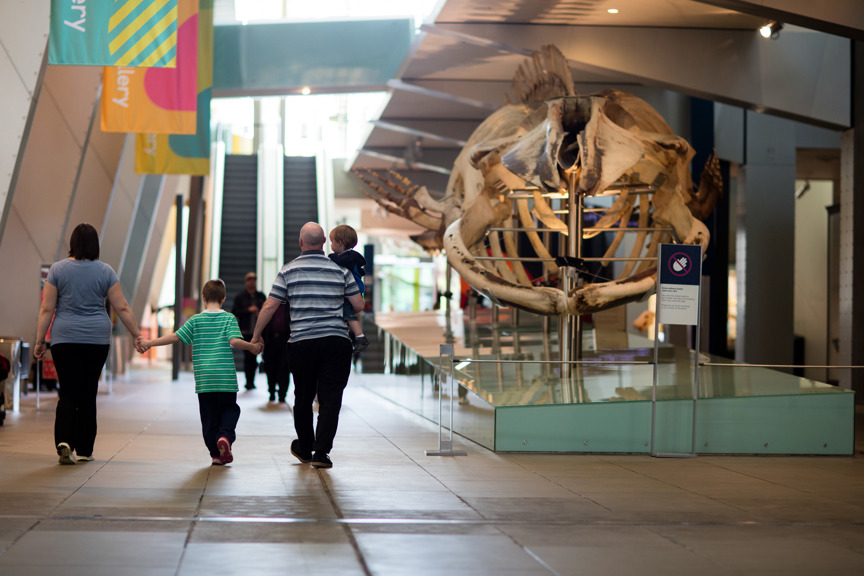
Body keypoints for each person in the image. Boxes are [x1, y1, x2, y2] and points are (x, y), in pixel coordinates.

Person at [251, 222, 364, 469]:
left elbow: (270, 306)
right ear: (324, 242)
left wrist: (257, 335)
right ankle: (322, 453)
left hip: (301, 343)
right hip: (336, 342)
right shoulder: (341, 271)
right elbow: (357, 305)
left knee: (302, 397)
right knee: (330, 398)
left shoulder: (288, 271)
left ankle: (305, 447)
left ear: (301, 243)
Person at [34, 223, 145, 465]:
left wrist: (40, 340)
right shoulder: (105, 271)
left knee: (68, 392)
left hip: (64, 338)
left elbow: (47, 308)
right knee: (88, 393)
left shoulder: (57, 270)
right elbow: (122, 307)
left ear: (72, 242)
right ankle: (84, 449)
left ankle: (64, 441)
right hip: (96, 340)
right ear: (95, 244)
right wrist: (136, 334)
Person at [139, 279, 262, 465]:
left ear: (203, 298)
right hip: (225, 378)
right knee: (230, 409)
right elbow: (235, 341)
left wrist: (149, 343)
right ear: (223, 298)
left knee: (209, 416)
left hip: (205, 380)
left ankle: (215, 453)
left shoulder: (195, 320)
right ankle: (225, 437)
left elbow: (175, 336)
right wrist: (252, 347)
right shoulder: (228, 318)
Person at [327, 224, 369, 354]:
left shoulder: (347, 257)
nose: (330, 245)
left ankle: (360, 336)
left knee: (348, 313)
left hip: (354, 289)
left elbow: (336, 261)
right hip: (355, 289)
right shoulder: (352, 256)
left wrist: (328, 258)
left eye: (332, 242)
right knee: (348, 313)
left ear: (339, 243)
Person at [231, 271, 266, 390]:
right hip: (246, 331)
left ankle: (252, 380)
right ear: (246, 282)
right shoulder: (240, 297)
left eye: (254, 279)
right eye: (250, 279)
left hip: (258, 331)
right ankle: (249, 381)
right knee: (248, 357)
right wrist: (248, 310)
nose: (252, 281)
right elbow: (235, 312)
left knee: (255, 357)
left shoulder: (260, 296)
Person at [262, 302, 290, 404]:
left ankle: (282, 394)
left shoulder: (289, 306)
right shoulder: (268, 305)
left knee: (284, 367)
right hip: (271, 340)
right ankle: (272, 392)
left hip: (285, 340)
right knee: (270, 367)